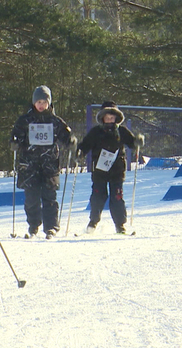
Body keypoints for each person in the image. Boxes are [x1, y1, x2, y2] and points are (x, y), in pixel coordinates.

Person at [9, 85, 75, 239]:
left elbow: (66, 136)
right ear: (33, 102)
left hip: (49, 165)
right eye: (38, 102)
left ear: (49, 103)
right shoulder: (24, 120)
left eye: (44, 102)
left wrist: (71, 141)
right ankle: (33, 225)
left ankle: (51, 227)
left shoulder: (55, 121)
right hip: (29, 165)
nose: (41, 105)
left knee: (49, 197)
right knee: (31, 198)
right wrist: (15, 142)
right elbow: (16, 136)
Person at [77, 101, 143, 234]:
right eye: (107, 117)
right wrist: (79, 152)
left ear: (116, 118)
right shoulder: (96, 132)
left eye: (112, 117)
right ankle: (93, 222)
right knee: (97, 197)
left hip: (117, 170)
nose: (109, 120)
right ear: (102, 118)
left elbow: (132, 143)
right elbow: (85, 144)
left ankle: (120, 225)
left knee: (117, 198)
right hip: (99, 170)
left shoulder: (121, 131)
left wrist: (137, 142)